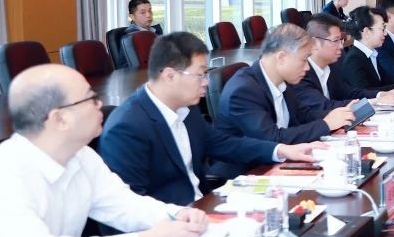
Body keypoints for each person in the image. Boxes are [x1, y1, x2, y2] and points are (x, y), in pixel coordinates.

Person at [0, 65, 209, 237]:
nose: (100, 105)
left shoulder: (81, 155)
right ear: (60, 119)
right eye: (91, 98)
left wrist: (176, 215)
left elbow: (124, 206)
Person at [100, 33, 320, 206]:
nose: (206, 82)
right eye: (200, 74)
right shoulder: (127, 127)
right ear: (169, 76)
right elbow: (129, 207)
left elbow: (223, 143)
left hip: (203, 208)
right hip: (170, 229)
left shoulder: (186, 108)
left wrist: (281, 150)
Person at [213, 24, 355, 176]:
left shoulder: (282, 80)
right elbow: (272, 138)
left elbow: (304, 115)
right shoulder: (243, 91)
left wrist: (338, 115)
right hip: (248, 173)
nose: (307, 67)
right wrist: (326, 124)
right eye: (304, 60)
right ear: (281, 58)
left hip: (281, 164)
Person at [296, 14, 394, 114]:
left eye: (341, 40)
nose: (341, 46)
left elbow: (349, 92)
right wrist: (375, 101)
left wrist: (381, 94)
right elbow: (324, 106)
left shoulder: (332, 66)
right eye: (335, 40)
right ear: (315, 43)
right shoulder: (301, 73)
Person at [339, 6, 394, 94]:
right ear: (367, 31)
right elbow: (364, 93)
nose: (385, 33)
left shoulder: (371, 53)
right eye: (382, 28)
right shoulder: (353, 59)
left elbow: (385, 82)